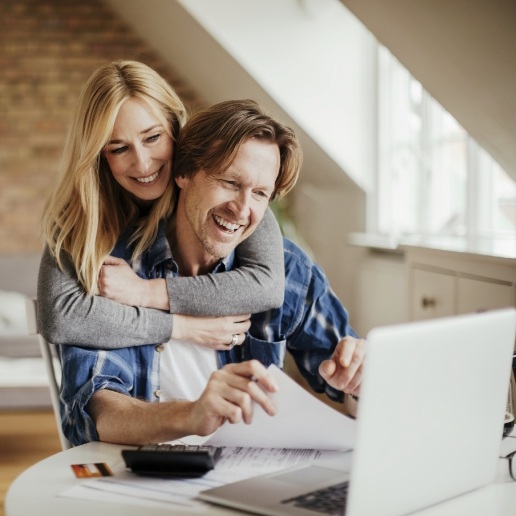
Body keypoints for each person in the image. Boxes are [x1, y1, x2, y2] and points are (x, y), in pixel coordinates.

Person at [59, 99, 365, 446]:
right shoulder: (115, 272)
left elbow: (349, 385)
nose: (242, 209)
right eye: (230, 182)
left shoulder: (288, 269)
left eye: (260, 193)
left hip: (250, 477)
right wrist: (191, 415)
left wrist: (359, 382)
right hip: (143, 477)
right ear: (183, 173)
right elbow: (99, 411)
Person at [38, 60, 288, 352]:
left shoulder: (217, 187)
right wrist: (183, 327)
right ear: (99, 155)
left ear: (174, 126)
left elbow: (267, 286)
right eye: (119, 148)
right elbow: (60, 317)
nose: (143, 164)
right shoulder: (82, 214)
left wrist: (144, 292)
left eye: (153, 138)